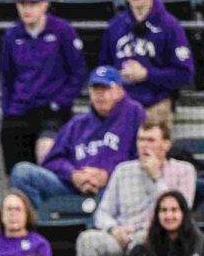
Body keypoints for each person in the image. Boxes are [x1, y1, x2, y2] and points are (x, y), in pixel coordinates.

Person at [9, 66, 146, 209]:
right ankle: (42, 226)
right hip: (74, 190)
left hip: (114, 190)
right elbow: (52, 160)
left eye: (106, 89)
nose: (100, 94)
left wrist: (109, 176)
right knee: (22, 172)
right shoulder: (78, 123)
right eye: (95, 89)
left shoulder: (134, 114)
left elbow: (141, 159)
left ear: (119, 91)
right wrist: (74, 175)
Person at [75, 121, 196, 256]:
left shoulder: (184, 171)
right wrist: (113, 229)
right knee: (87, 239)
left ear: (165, 145)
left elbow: (181, 210)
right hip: (122, 235)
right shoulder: (123, 170)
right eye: (141, 139)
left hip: (158, 237)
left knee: (142, 245)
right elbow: (102, 213)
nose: (144, 145)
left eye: (150, 140)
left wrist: (156, 177)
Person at [0, 0, 87, 174]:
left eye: (32, 4)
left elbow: (78, 72)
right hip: (19, 110)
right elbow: (7, 77)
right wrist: (8, 109)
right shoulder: (11, 35)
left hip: (52, 110)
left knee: (47, 157)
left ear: (45, 4)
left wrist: (60, 102)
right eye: (22, 4)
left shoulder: (63, 30)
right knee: (17, 170)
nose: (26, 9)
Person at [99, 0, 194, 128]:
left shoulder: (170, 26)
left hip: (156, 107)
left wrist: (146, 74)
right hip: (119, 107)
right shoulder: (115, 26)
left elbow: (184, 74)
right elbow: (103, 70)